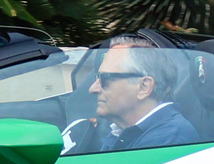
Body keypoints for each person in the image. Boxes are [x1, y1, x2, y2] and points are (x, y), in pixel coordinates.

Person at [62, 36, 199, 154]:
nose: (93, 89)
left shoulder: (167, 142)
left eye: (105, 78)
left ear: (143, 87)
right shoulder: (127, 133)